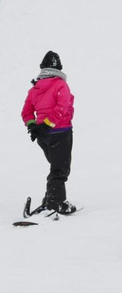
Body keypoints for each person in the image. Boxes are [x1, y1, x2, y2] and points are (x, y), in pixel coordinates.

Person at [21, 51, 77, 216]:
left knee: (55, 167)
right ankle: (56, 203)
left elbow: (26, 111)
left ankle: (50, 198)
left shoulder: (35, 89)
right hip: (60, 132)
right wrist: (46, 125)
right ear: (59, 68)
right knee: (60, 169)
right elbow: (62, 107)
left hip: (43, 135)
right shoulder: (60, 85)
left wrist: (34, 126)